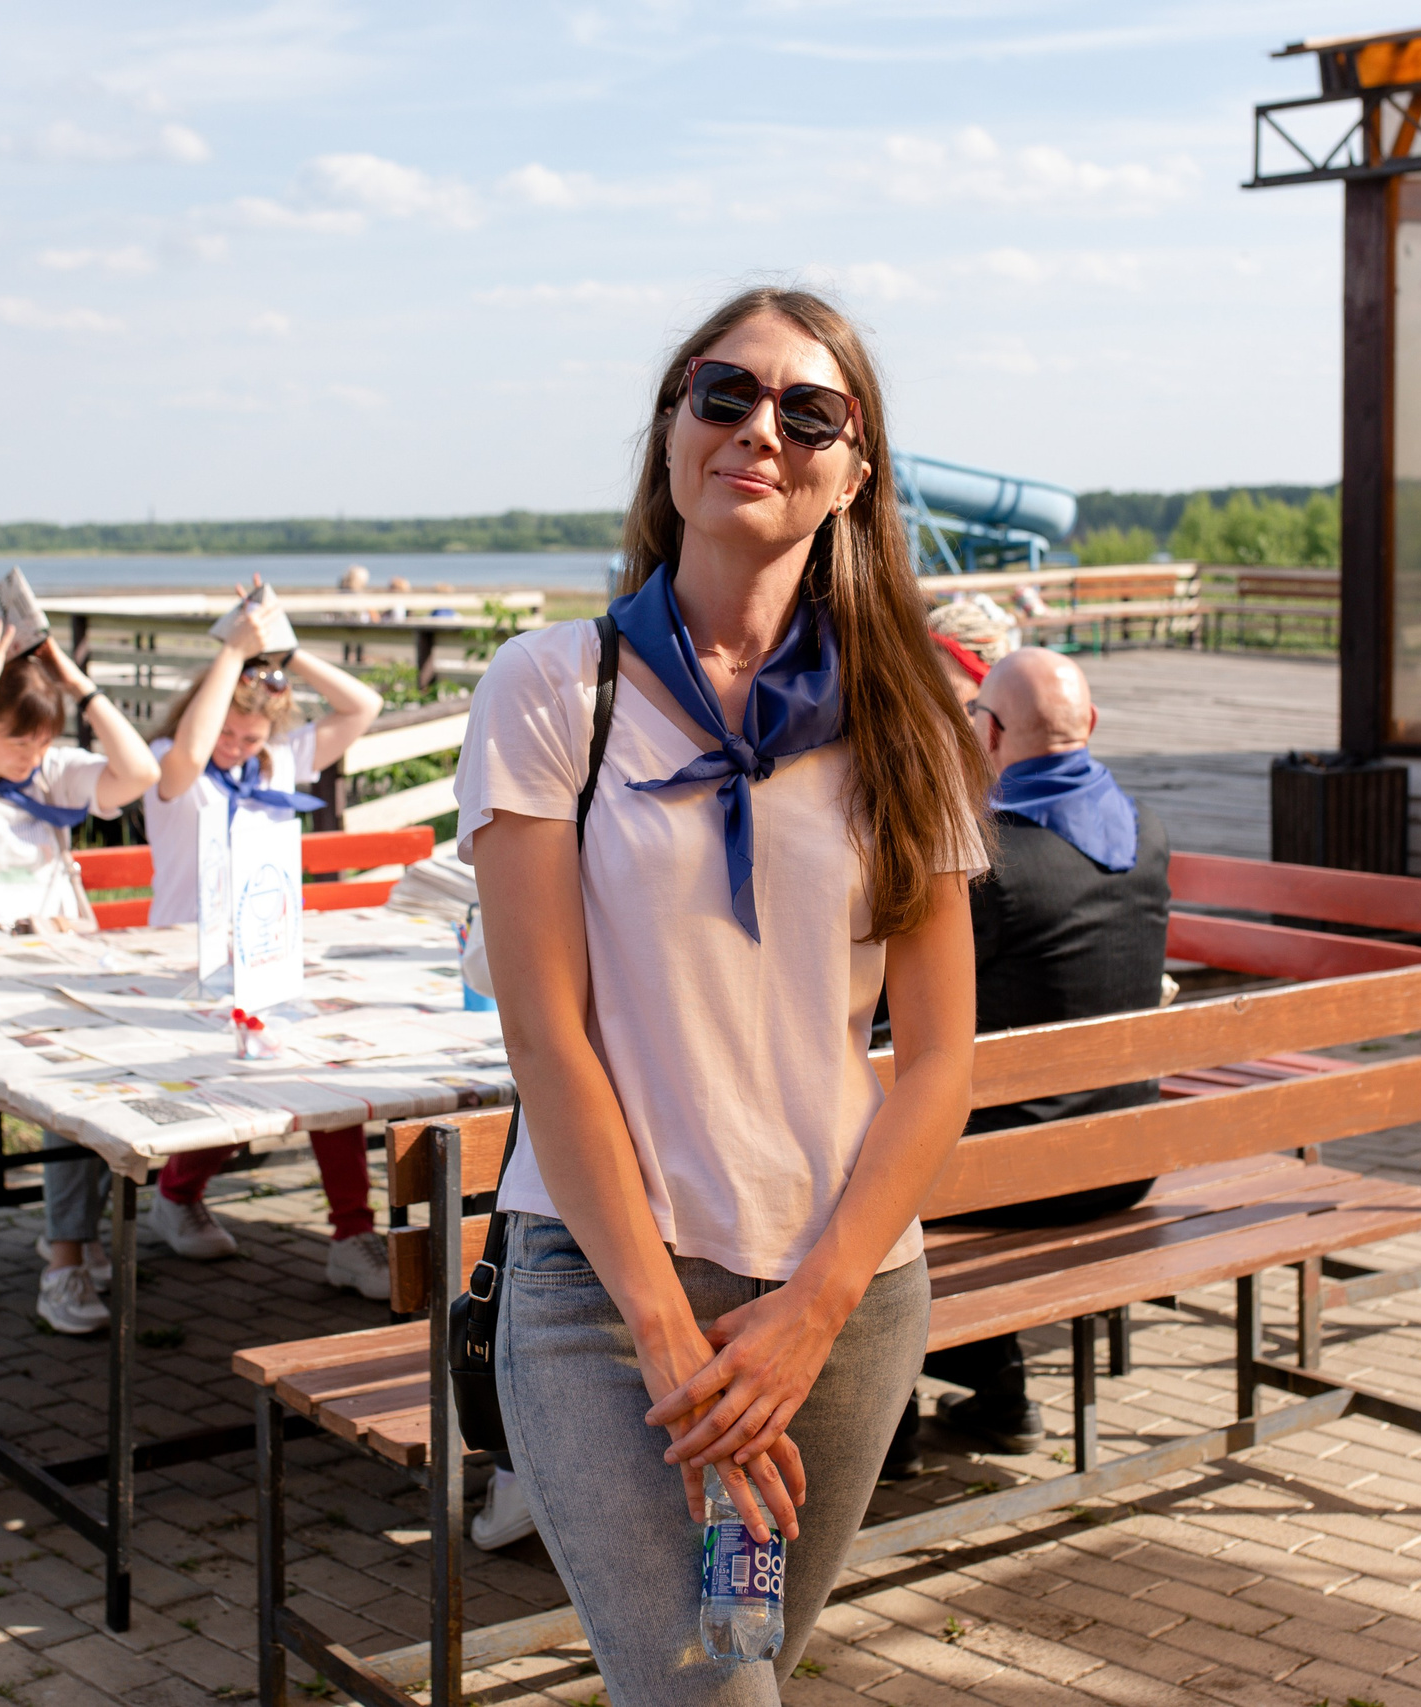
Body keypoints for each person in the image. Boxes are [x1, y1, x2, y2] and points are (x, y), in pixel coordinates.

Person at [458, 287, 989, 1702]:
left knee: (741, 1667)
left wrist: (812, 1307)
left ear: (854, 471)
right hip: (604, 1287)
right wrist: (672, 1338)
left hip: (844, 1298)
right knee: (711, 1696)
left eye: (810, 410)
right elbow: (546, 1038)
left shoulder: (905, 717)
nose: (763, 428)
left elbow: (939, 1055)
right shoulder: (553, 690)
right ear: (674, 430)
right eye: (725, 394)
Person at [883, 645, 1172, 1477]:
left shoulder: (988, 860)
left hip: (1013, 1179)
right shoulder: (1145, 831)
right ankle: (998, 1389)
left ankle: (888, 1420)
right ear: (1090, 726)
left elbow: (884, 1013)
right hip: (1126, 1159)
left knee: (888, 1141)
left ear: (992, 734)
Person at [0, 620, 160, 1336]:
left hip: (55, 975)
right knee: (72, 1076)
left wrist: (78, 684)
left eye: (42, 740)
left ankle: (71, 1231)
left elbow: (139, 773)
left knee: (124, 1063)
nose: (33, 754)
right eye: (17, 739)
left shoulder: (49, 774)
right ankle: (65, 1261)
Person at [137, 582, 394, 1299]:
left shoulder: (275, 765)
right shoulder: (177, 763)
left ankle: (351, 1232)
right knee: (234, 1083)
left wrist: (287, 649)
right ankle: (177, 1192)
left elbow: (362, 708)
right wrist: (233, 651)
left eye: (251, 738)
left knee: (312, 1073)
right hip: (186, 957)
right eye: (229, 733)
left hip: (266, 949)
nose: (238, 747)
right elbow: (193, 745)